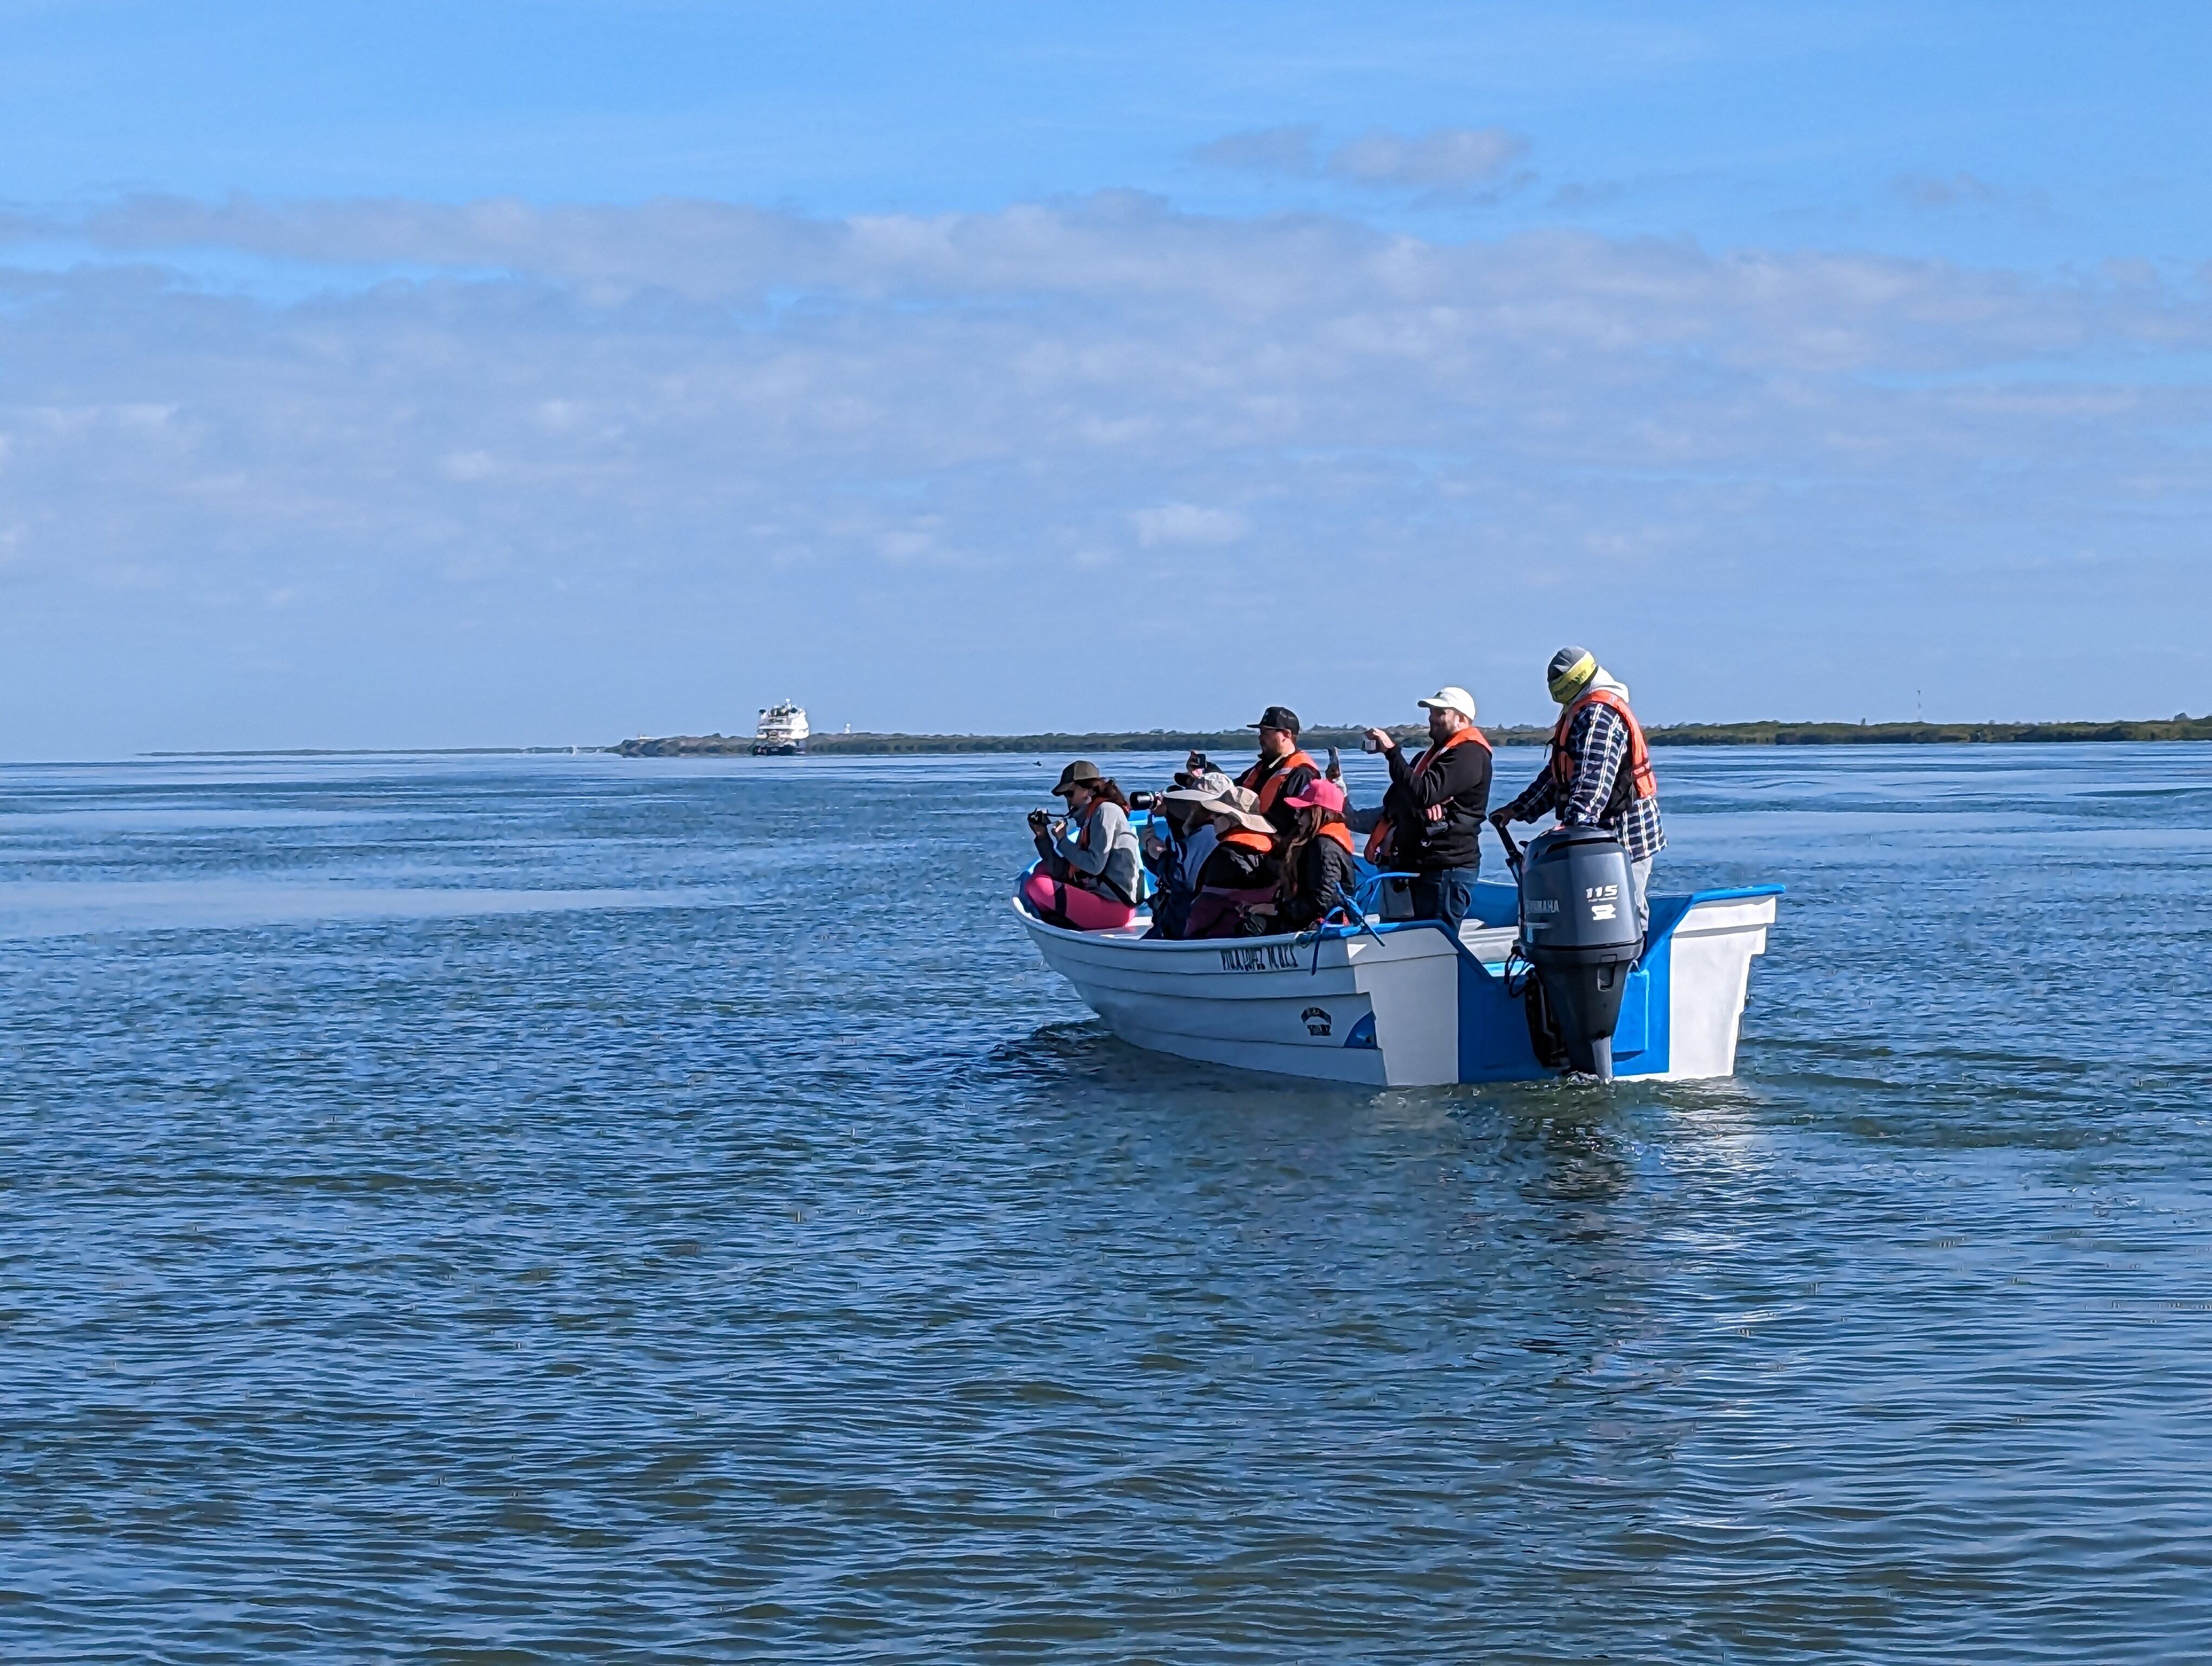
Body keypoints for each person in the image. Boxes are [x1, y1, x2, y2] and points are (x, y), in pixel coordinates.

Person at [1489, 647, 1666, 940]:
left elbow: (1594, 779)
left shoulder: (1599, 715)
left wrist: (1573, 826)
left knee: (1624, 912)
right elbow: (1558, 774)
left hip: (1624, 837)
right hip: (1595, 838)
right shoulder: (1580, 710)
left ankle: (1632, 963)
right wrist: (1519, 809)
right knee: (1592, 915)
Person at [1358, 685, 1493, 931]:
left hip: (1447, 870)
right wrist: (1423, 803)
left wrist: (1392, 752)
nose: (1432, 718)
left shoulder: (1470, 755)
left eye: (1440, 713)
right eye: (1431, 712)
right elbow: (1397, 801)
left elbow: (1423, 792)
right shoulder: (1429, 757)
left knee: (1436, 942)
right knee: (1417, 940)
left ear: (1461, 719)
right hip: (1421, 869)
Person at [1022, 760, 1142, 931]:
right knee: (1041, 869)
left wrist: (1063, 841)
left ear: (1088, 791)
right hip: (1099, 898)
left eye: (1070, 794)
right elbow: (1066, 870)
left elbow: (1094, 866)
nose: (1068, 801)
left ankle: (1062, 921)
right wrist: (1042, 836)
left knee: (1036, 885)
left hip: (1115, 908)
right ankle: (1065, 917)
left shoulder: (1106, 811)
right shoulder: (1090, 819)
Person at [1141, 768, 1230, 939]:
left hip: (1187, 928)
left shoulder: (1208, 834)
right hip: (1194, 922)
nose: (1189, 806)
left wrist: (1158, 853)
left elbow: (1183, 880)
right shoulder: (1203, 831)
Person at [1184, 790, 1283, 939]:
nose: (1212, 818)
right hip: (1261, 930)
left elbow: (1207, 906)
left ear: (1234, 820)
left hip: (1223, 935)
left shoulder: (1226, 855)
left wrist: (1188, 935)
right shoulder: (1272, 848)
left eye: (1218, 814)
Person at [1273, 778, 1359, 932]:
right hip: (1322, 919)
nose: (1298, 818)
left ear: (1318, 813)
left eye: (1303, 812)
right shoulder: (1327, 841)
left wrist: (1278, 910)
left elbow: (1322, 900)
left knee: (1252, 925)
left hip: (1322, 926)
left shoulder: (1323, 847)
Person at [1235, 706, 1321, 841]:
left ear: (1287, 734)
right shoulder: (1264, 768)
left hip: (1277, 846)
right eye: (1261, 732)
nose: (1261, 738)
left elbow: (1293, 823)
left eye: (1266, 732)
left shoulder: (1303, 774)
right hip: (1253, 838)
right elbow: (1230, 790)